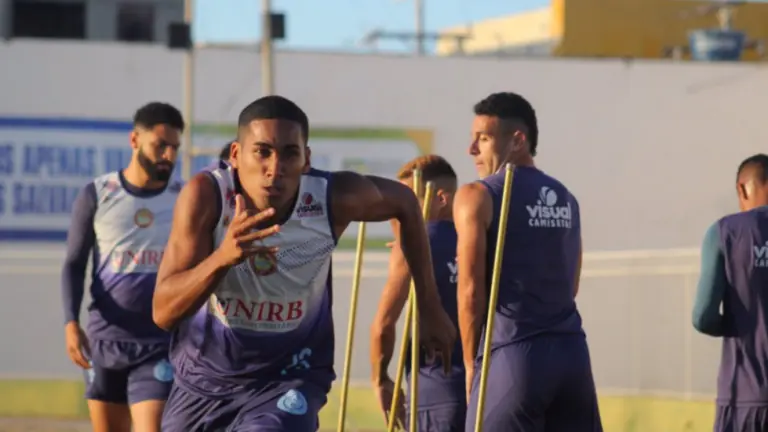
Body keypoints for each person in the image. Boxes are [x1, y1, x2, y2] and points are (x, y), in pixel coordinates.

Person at [152, 95, 456, 431]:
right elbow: (163, 312)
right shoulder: (206, 196)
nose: (275, 168)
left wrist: (429, 306)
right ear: (236, 155)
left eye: (289, 153)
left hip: (288, 377)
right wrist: (222, 258)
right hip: (204, 379)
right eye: (262, 151)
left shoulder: (331, 197)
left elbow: (406, 203)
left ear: (306, 159)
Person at [453, 92, 602, 431]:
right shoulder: (566, 198)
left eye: (483, 138)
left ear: (518, 140)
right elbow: (571, 284)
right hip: (573, 356)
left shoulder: (476, 195)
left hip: (513, 355)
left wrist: (471, 364)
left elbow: (470, 292)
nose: (471, 149)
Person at [61, 102, 185, 432]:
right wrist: (71, 322)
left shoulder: (184, 198)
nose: (168, 156)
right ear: (134, 140)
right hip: (106, 342)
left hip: (160, 343)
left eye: (174, 148)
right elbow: (74, 263)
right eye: (160, 145)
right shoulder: (98, 194)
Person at [370, 155, 466, 432]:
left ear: (441, 198)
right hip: (486, 389)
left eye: (411, 201)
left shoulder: (414, 244)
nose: (402, 210)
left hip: (436, 391)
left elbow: (383, 325)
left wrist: (380, 379)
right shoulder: (481, 240)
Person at [692, 153, 768, 432]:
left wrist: (739, 323)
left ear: (742, 189)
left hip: (744, 400)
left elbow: (702, 317)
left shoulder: (725, 232)